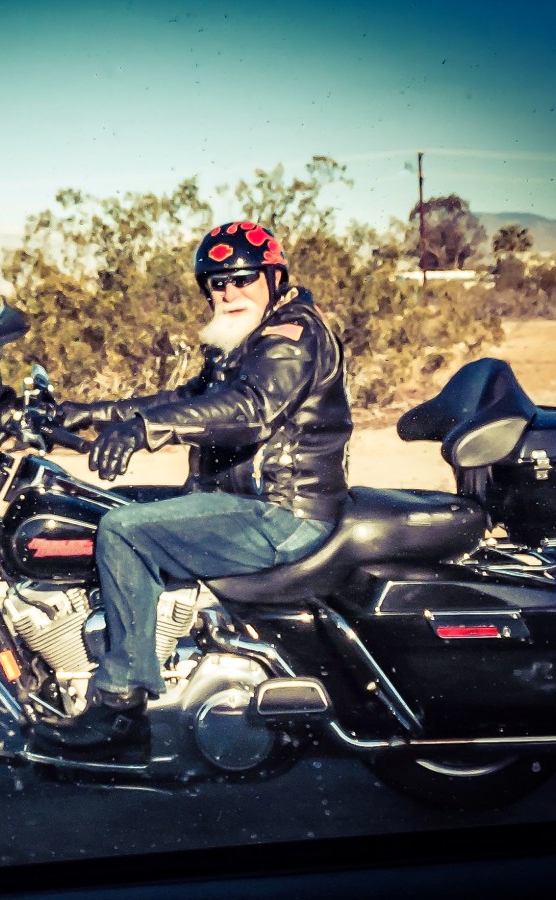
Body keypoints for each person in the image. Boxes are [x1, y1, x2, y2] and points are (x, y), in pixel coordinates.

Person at [33, 221, 353, 755]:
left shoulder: (288, 337)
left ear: (274, 275)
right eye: (215, 283)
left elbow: (251, 411)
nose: (227, 292)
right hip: (240, 502)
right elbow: (182, 399)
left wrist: (144, 433)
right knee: (105, 508)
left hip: (282, 511)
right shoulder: (245, 340)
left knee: (125, 531)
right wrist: (85, 413)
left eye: (242, 277)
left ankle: (120, 707)